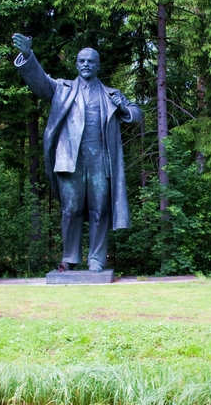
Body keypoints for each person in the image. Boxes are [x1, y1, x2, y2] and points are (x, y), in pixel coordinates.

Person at [13, 34, 143, 272]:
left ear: (98, 66)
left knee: (99, 211)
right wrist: (28, 56)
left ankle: (96, 260)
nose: (86, 64)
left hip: (100, 162)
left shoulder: (110, 94)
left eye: (91, 61)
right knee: (70, 210)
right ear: (76, 64)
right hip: (70, 160)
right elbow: (40, 83)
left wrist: (123, 106)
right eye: (81, 61)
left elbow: (137, 116)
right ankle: (70, 257)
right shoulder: (63, 89)